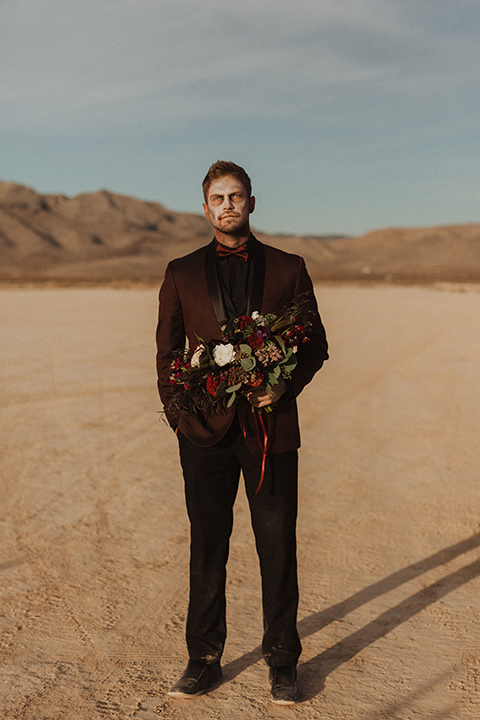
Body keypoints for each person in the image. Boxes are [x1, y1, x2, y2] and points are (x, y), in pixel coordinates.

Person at [156, 161, 328, 704]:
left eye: (236, 196)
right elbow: (167, 352)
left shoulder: (288, 267)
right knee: (208, 546)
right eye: (217, 198)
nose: (227, 205)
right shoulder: (181, 272)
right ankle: (202, 658)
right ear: (205, 208)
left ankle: (282, 661)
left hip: (270, 431)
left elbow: (315, 344)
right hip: (203, 434)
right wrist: (179, 416)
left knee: (277, 545)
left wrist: (285, 388)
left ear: (252, 202)